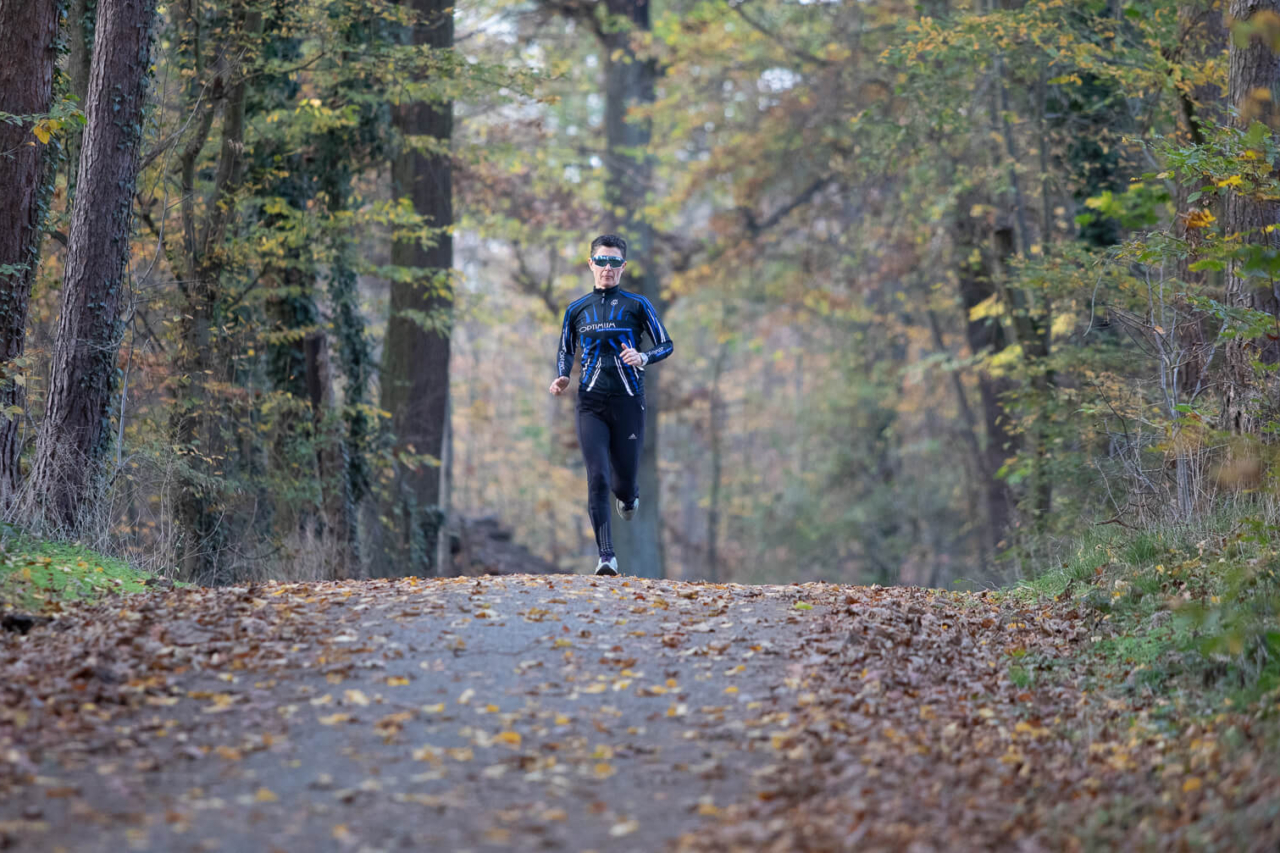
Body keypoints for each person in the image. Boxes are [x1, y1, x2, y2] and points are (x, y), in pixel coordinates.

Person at [549, 235, 673, 576]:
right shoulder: (577, 309)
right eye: (601, 261)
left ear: (623, 267)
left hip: (629, 402)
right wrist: (563, 376)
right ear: (591, 264)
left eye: (614, 261)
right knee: (598, 477)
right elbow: (565, 349)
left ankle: (629, 497)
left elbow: (666, 344)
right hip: (590, 404)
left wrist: (643, 357)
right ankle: (606, 556)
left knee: (624, 483)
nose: (607, 267)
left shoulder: (638, 305)